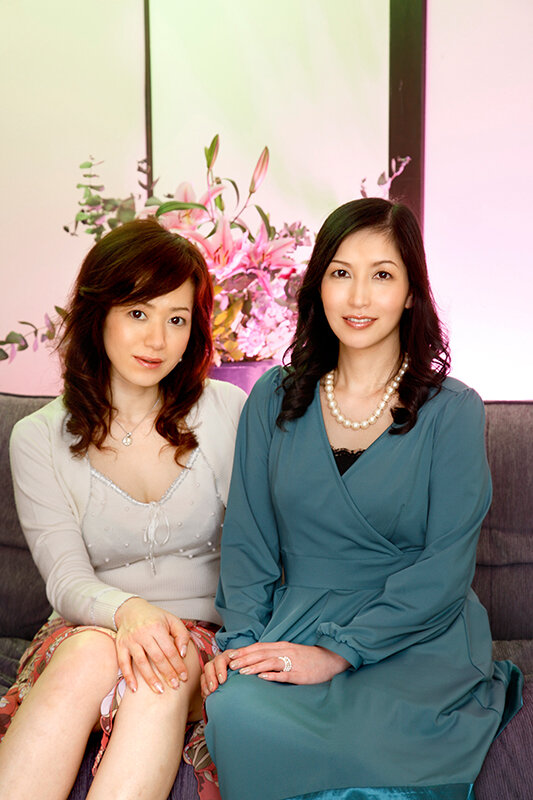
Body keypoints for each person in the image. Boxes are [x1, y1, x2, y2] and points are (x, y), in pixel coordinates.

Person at [202, 198, 523, 800]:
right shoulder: (272, 397)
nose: (358, 297)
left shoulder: (453, 410)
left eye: (381, 275)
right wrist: (243, 645)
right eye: (341, 273)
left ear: (411, 292)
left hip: (416, 635)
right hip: (295, 623)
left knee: (372, 736)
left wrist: (336, 653)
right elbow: (248, 544)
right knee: (238, 711)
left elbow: (444, 570)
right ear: (318, 286)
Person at [0, 218, 246, 800]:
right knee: (91, 651)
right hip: (88, 628)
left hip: (197, 639)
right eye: (138, 312)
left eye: (177, 319)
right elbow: (65, 578)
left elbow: (262, 550)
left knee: (165, 665)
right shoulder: (37, 437)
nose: (157, 339)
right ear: (100, 314)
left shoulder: (227, 410)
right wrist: (129, 611)